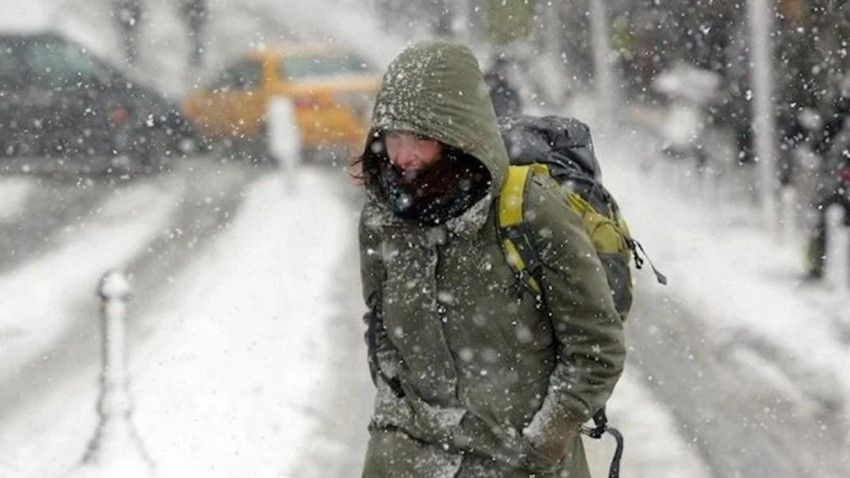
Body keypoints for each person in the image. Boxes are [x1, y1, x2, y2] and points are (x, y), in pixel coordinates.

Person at [356, 41, 625, 478]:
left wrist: (544, 443)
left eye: (420, 138)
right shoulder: (383, 214)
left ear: (458, 136)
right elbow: (381, 327)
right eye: (392, 137)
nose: (400, 157)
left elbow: (598, 349)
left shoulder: (531, 210)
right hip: (408, 460)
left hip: (518, 462)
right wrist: (394, 418)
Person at [805, 82, 850, 280]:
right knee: (825, 223)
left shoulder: (833, 123)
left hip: (834, 181)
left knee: (823, 222)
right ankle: (818, 264)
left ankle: (817, 264)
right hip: (836, 181)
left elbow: (817, 147)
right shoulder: (836, 125)